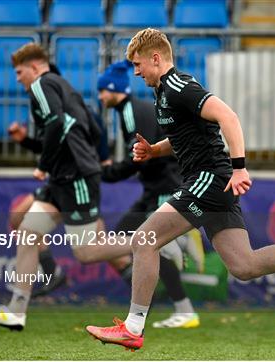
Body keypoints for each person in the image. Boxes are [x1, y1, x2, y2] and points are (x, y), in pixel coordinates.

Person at [85, 28, 275, 351]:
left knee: (143, 240)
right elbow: (185, 139)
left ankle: (133, 327)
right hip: (211, 182)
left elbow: (228, 117)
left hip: (209, 179)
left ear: (156, 58)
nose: (136, 72)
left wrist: (240, 167)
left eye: (138, 64)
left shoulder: (179, 86)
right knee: (244, 266)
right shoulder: (164, 91)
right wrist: (154, 150)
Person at [0, 43, 134, 331]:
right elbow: (88, 129)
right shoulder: (65, 87)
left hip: (76, 179)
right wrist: (31, 144)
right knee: (26, 232)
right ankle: (17, 310)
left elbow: (57, 124)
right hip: (63, 179)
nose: (17, 78)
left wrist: (46, 164)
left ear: (35, 67)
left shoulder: (41, 84)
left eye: (19, 71)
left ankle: (155, 242)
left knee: (86, 253)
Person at [97, 60, 203, 328]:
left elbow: (140, 156)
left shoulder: (130, 111)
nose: (100, 97)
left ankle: (181, 306)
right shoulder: (130, 111)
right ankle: (156, 297)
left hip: (164, 187)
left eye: (102, 91)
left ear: (113, 89)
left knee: (147, 244)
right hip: (154, 188)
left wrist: (107, 173)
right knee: (123, 239)